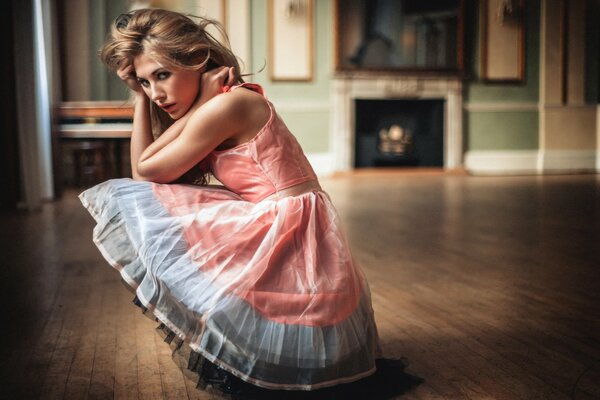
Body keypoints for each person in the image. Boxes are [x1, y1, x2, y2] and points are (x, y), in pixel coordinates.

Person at [80, 8, 382, 395]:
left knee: (145, 201)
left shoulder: (230, 104)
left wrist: (205, 102)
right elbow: (145, 169)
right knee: (155, 201)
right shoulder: (214, 103)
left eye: (162, 75)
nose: (157, 93)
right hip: (275, 212)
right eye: (144, 81)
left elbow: (144, 172)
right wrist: (140, 96)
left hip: (287, 223)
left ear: (196, 59)